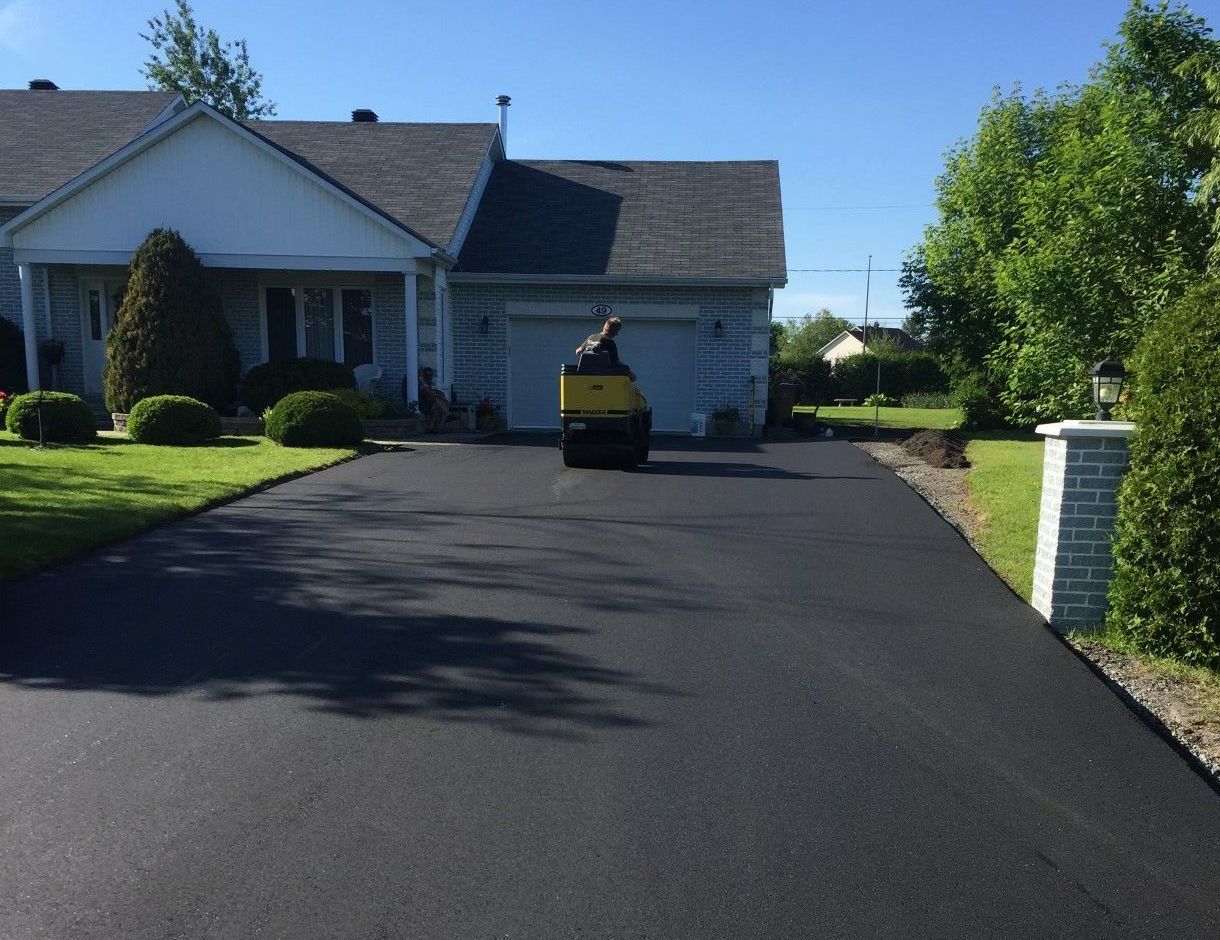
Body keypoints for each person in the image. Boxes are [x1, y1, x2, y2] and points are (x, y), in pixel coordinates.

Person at [419, 367, 450, 433]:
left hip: (431, 403)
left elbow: (435, 391)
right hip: (422, 404)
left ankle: (435, 428)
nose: (429, 377)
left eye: (431, 375)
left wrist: (441, 395)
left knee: (436, 407)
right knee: (437, 401)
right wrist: (440, 396)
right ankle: (448, 414)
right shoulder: (421, 383)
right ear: (424, 375)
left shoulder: (431, 383)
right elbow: (429, 392)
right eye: (427, 375)